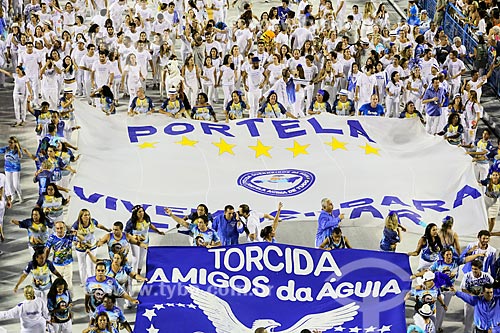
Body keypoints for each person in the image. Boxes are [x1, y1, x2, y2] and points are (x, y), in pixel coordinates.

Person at [71, 209, 111, 288]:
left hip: (92, 247)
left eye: (88, 215)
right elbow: (73, 235)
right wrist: (76, 241)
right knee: (82, 266)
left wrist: (107, 229)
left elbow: (99, 225)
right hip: (81, 248)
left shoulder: (92, 221)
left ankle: (92, 282)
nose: (87, 217)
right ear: (81, 217)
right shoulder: (76, 225)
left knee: (91, 265)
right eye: (85, 215)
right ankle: (84, 282)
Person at [125, 205, 165, 274]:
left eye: (142, 211)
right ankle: (133, 274)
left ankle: (138, 273)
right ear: (135, 214)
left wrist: (157, 231)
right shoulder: (131, 222)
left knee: (141, 259)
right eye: (139, 212)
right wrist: (134, 237)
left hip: (145, 241)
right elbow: (126, 233)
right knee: (135, 258)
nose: (142, 213)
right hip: (135, 242)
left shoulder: (147, 218)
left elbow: (150, 225)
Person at [45, 221, 82, 294]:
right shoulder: (52, 238)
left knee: (68, 283)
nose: (59, 230)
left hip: (68, 264)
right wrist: (45, 261)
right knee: (55, 283)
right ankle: (56, 299)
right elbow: (47, 249)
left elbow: (79, 241)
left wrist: (77, 235)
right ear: (55, 229)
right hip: (56, 265)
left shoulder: (69, 236)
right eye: (57, 228)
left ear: (64, 228)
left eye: (61, 228)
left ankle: (70, 299)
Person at [460, 260, 495, 333]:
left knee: (482, 319)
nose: (473, 271)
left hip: (483, 302)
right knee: (468, 320)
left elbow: (493, 285)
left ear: (480, 269)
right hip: (470, 301)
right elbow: (463, 289)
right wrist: (471, 293)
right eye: (472, 268)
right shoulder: (467, 276)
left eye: (475, 269)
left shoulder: (486, 276)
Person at [0, 170, 12, 243]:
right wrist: (9, 200)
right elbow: (7, 191)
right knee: (0, 220)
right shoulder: (2, 176)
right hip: (1, 204)